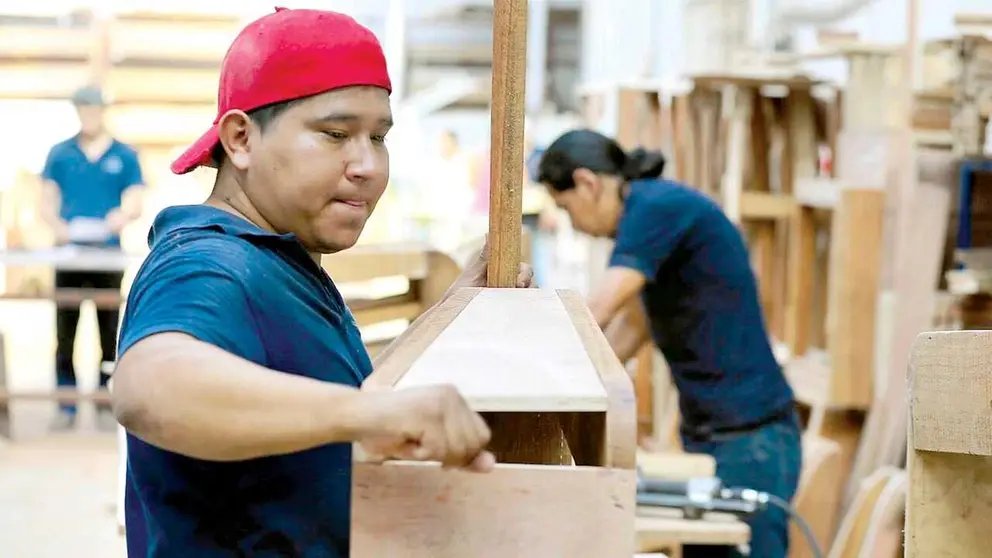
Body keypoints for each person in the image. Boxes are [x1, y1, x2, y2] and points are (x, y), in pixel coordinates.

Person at [110, 8, 532, 558]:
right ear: (240, 139)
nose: (369, 165)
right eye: (335, 134)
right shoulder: (209, 264)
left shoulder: (278, 260)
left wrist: (449, 317)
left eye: (378, 137)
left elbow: (332, 398)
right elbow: (149, 386)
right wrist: (371, 415)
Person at [536, 129, 801, 558]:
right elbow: (631, 328)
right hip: (713, 434)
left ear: (587, 182)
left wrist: (537, 365)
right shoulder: (652, 217)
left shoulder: (653, 207)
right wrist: (572, 384)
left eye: (566, 209)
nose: (574, 225)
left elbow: (600, 310)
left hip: (752, 439)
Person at [39, 85, 146, 431]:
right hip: (70, 252)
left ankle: (104, 400)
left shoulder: (124, 155)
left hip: (107, 254)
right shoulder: (60, 154)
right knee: (65, 331)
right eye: (83, 109)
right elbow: (46, 202)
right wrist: (60, 227)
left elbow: (134, 200)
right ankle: (66, 404)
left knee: (108, 329)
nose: (89, 115)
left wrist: (119, 217)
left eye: (94, 109)